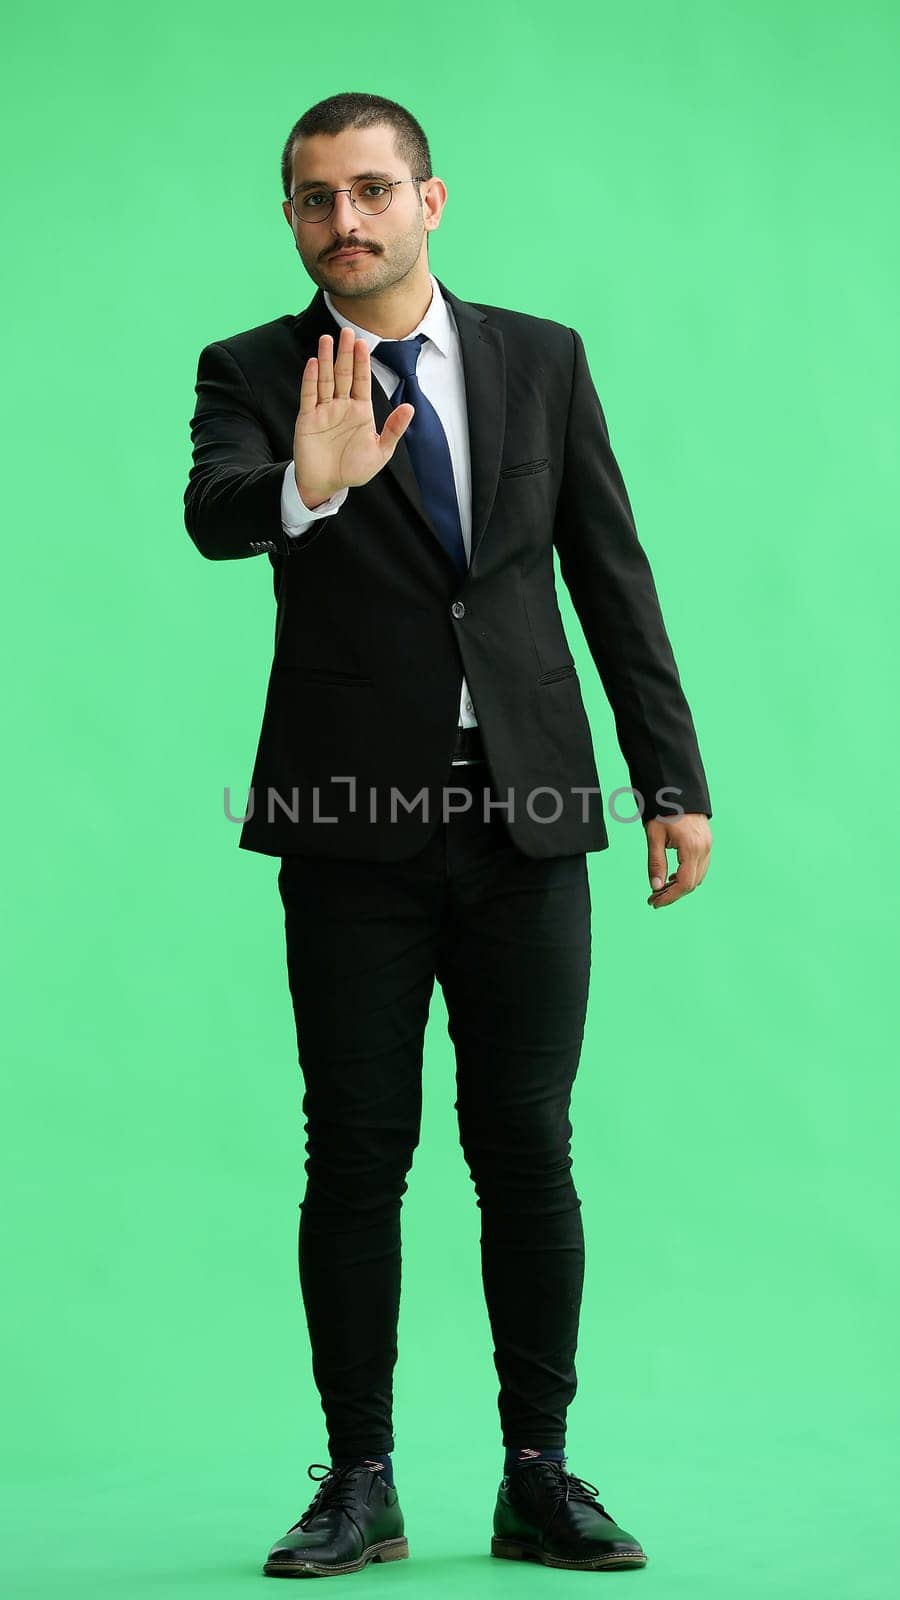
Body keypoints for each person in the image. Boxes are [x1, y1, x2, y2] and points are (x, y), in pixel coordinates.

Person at [183, 91, 712, 1578]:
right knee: (354, 1157)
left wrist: (672, 776)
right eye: (310, 200)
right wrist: (308, 484)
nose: (339, 222)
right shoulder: (254, 369)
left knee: (528, 1149)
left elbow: (611, 569)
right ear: (291, 219)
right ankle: (361, 1480)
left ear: (429, 199)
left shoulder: (540, 360)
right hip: (349, 828)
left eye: (367, 191)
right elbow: (216, 510)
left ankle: (538, 1472)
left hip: (531, 813)